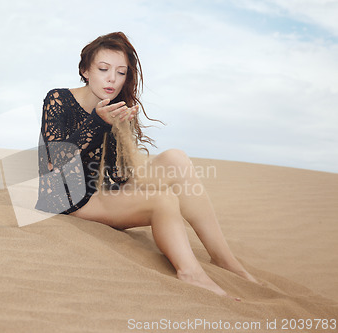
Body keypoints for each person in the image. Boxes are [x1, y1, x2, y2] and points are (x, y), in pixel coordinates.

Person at [35, 32, 257, 299]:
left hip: (102, 191)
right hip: (67, 199)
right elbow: (55, 160)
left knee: (175, 158)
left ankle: (224, 260)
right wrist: (98, 122)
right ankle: (190, 273)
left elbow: (117, 176)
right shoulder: (58, 98)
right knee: (162, 201)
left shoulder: (115, 107)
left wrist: (120, 130)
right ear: (85, 70)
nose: (111, 79)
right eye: (103, 69)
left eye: (121, 72)